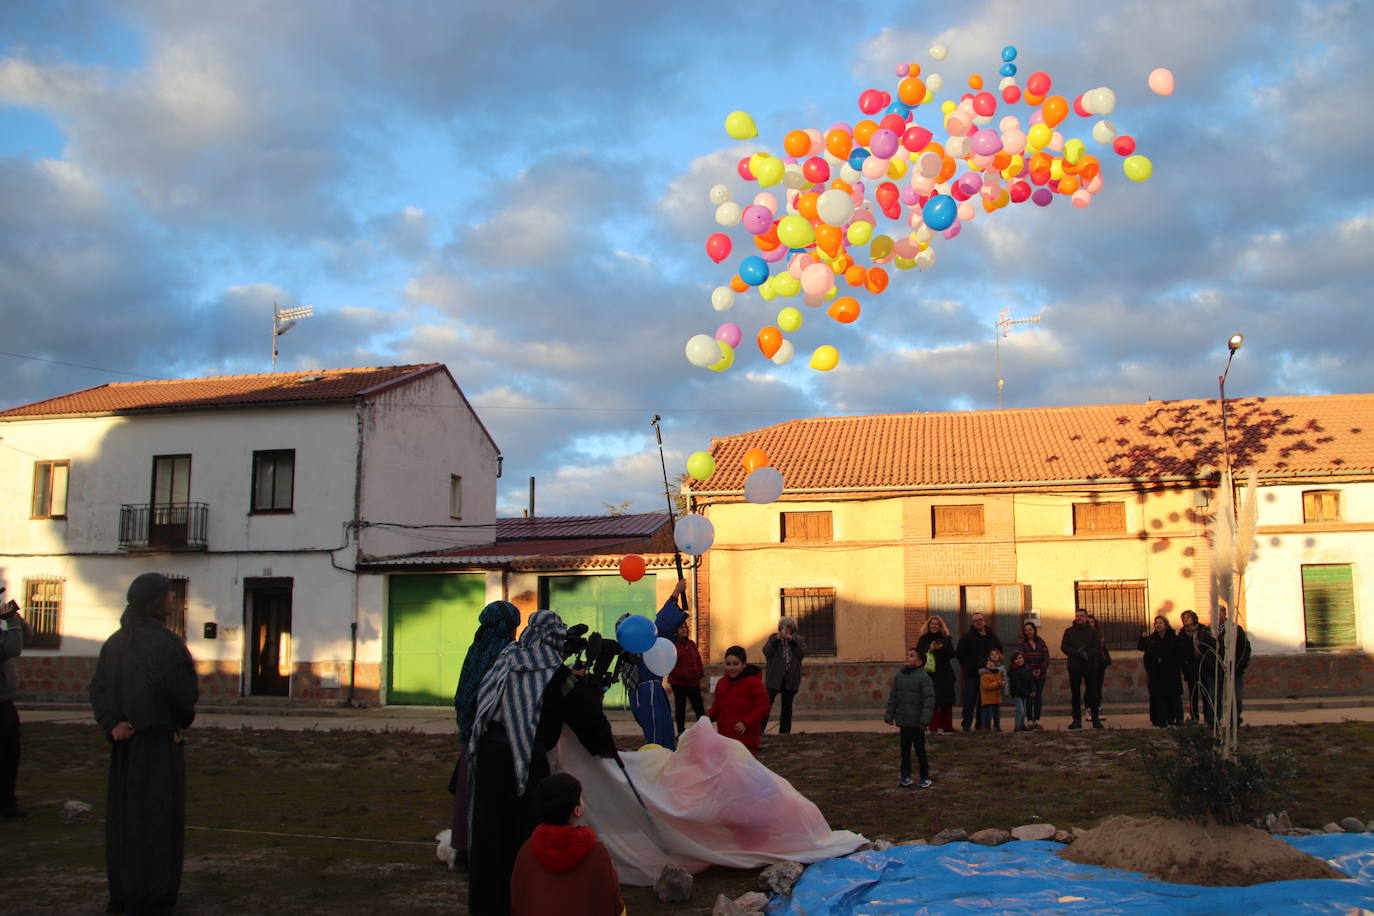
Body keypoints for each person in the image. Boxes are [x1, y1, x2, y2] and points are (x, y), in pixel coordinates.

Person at [467, 610, 616, 916]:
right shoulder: (554, 675)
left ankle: (487, 905)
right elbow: (585, 715)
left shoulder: (505, 659)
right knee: (523, 834)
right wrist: (604, 747)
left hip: (488, 759)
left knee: (489, 833)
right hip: (525, 761)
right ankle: (525, 899)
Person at [89, 572, 200, 916]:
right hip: (156, 747)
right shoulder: (166, 645)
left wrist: (113, 725)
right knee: (157, 821)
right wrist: (178, 719)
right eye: (169, 596)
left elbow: (98, 689)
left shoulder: (115, 642)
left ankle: (123, 893)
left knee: (125, 821)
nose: (174, 601)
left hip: (125, 746)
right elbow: (183, 696)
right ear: (156, 602)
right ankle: (152, 896)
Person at [451, 600, 521, 866]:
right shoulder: (507, 654)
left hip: (470, 734)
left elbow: (464, 694)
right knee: (490, 799)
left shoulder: (476, 648)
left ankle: (463, 848)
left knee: (469, 794)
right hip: (495, 739)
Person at [509, 773, 624, 916]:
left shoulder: (526, 851)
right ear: (577, 810)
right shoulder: (596, 852)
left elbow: (517, 902)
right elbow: (613, 904)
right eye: (581, 797)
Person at [623, 579, 689, 750]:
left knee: (663, 731)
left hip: (652, 692)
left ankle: (664, 758)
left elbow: (662, 625)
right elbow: (662, 624)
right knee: (656, 734)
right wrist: (675, 592)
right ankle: (657, 762)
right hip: (648, 694)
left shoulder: (643, 647)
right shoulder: (638, 649)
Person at [1, 584, 32, 821]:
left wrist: (17, 619)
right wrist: (10, 621)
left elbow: (28, 638)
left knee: (10, 757)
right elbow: (13, 648)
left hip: (6, 704)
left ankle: (7, 804)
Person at [883, 648, 935, 788]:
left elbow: (929, 701)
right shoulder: (900, 676)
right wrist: (890, 715)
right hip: (904, 721)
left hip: (918, 723)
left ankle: (925, 777)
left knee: (920, 751)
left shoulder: (924, 678)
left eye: (911, 656)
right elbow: (894, 697)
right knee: (904, 751)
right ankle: (906, 776)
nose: (907, 657)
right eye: (907, 654)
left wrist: (925, 720)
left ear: (919, 661)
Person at [705, 646, 770, 756]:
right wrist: (709, 715)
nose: (731, 668)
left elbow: (763, 706)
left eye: (736, 664)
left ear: (744, 664)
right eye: (728, 664)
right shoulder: (721, 683)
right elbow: (718, 705)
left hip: (746, 740)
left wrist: (746, 722)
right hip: (725, 739)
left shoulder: (753, 683)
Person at [956, 613, 1002, 731]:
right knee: (970, 700)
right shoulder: (967, 638)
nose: (978, 622)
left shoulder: (992, 637)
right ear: (972, 623)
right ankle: (966, 725)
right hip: (972, 674)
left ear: (984, 621)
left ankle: (981, 725)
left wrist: (994, 664)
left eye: (980, 619)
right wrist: (970, 666)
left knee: (984, 701)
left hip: (988, 675)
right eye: (976, 620)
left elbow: (999, 651)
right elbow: (960, 655)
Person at [761, 616, 807, 735]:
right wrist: (775, 640)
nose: (785, 629)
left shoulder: (798, 640)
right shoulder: (773, 638)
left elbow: (801, 654)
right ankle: (760, 730)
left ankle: (784, 733)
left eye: (788, 627)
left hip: (790, 678)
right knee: (766, 704)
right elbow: (766, 652)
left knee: (787, 708)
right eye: (782, 626)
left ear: (793, 629)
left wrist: (792, 641)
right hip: (774, 678)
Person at [1137, 615, 1184, 727]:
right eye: (1156, 623)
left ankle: (1178, 719)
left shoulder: (1174, 638)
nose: (1158, 625)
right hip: (1157, 674)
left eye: (1160, 623)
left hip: (1172, 673)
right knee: (1159, 698)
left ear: (1166, 625)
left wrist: (1176, 666)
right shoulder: (1152, 639)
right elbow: (1143, 649)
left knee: (1174, 697)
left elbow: (1179, 654)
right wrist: (1142, 638)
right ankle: (1161, 720)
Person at [1060, 608, 1102, 730]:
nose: (1079, 618)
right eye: (1077, 615)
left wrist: (1087, 654)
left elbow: (1097, 647)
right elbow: (1064, 647)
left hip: (1090, 666)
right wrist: (1077, 653)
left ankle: (1095, 720)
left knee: (1093, 693)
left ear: (1086, 617)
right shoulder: (1068, 631)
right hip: (1074, 666)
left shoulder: (1093, 632)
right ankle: (1076, 720)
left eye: (1081, 616)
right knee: (1075, 694)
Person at [916, 616, 957, 734]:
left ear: (940, 626)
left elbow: (952, 654)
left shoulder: (945, 638)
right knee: (932, 702)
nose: (934, 626)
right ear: (928, 626)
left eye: (936, 624)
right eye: (932, 624)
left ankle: (947, 727)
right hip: (930, 675)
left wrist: (942, 648)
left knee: (946, 702)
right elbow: (919, 654)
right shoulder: (924, 639)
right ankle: (933, 727)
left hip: (945, 675)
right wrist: (930, 648)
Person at [1214, 604, 1252, 727]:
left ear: (1224, 614)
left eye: (1218, 613)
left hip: (1234, 669)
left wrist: (1240, 665)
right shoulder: (1209, 630)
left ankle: (1235, 719)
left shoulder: (1235, 629)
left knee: (1235, 696)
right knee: (1217, 696)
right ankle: (1216, 720)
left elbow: (1245, 648)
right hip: (1216, 670)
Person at [1175, 610, 1216, 723]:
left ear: (1194, 618)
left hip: (1203, 666)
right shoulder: (1182, 634)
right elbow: (1179, 652)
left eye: (1188, 617)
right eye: (1184, 618)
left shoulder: (1203, 631)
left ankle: (1208, 716)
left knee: (1205, 693)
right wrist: (1183, 667)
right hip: (1189, 668)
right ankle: (1194, 716)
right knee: (1193, 693)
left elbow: (1210, 647)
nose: (1186, 620)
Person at [667, 617, 705, 735]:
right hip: (679, 683)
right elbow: (671, 664)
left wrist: (699, 672)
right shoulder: (673, 646)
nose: (684, 630)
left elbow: (698, 660)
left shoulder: (691, 644)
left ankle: (704, 730)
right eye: (681, 628)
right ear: (676, 630)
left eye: (685, 627)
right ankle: (681, 731)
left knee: (699, 707)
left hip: (693, 681)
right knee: (680, 707)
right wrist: (684, 674)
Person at [1015, 621, 1050, 730]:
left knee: (1038, 697)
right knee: (1030, 697)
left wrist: (1040, 669)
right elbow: (1021, 659)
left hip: (1040, 675)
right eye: (1026, 630)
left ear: (1034, 630)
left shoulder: (1041, 642)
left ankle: (1037, 720)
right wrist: (1030, 671)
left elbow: (1046, 657)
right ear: (1024, 632)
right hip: (1028, 676)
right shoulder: (1022, 644)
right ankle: (1029, 720)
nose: (1029, 632)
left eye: (1030, 629)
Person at [1087, 614, 1113, 723]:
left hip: (1100, 664)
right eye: (1088, 622)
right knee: (1090, 687)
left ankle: (1098, 709)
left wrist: (1107, 660)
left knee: (1098, 687)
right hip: (1089, 665)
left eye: (1092, 622)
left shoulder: (1099, 636)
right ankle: (1089, 710)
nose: (1090, 624)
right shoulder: (1084, 636)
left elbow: (1104, 650)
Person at [978, 648, 1006, 732]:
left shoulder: (997, 673)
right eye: (988, 663)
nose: (990, 664)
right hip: (987, 699)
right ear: (985, 666)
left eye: (991, 663)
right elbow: (986, 686)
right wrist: (998, 683)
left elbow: (1000, 681)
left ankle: (997, 727)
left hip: (996, 698)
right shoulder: (985, 676)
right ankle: (986, 727)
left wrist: (1002, 683)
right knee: (987, 714)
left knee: (997, 714)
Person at [1008, 650, 1035, 732]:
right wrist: (1027, 693)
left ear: (1023, 658)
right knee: (1021, 710)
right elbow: (1017, 685)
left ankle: (1022, 725)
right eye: (1016, 659)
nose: (1019, 660)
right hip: (1016, 694)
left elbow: (1031, 680)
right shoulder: (1013, 670)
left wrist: (1033, 690)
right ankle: (1017, 726)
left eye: (1020, 658)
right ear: (1013, 661)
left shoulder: (1027, 668)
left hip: (1024, 693)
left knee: (1023, 710)